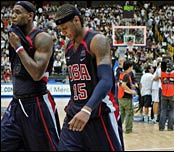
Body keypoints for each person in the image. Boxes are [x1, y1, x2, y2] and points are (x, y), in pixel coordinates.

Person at [54, 3, 124, 151]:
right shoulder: (68, 46)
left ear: (76, 20)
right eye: (60, 30)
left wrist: (87, 110)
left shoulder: (97, 40)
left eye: (65, 28)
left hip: (99, 111)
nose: (63, 33)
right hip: (75, 112)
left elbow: (106, 81)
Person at [1, 1, 61, 151]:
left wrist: (19, 47)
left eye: (18, 12)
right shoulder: (15, 36)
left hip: (37, 104)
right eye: (12, 12)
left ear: (30, 16)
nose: (13, 16)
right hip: (16, 104)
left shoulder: (42, 38)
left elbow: (36, 74)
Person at [118, 60, 137, 134]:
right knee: (129, 113)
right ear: (129, 67)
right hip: (126, 97)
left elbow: (122, 84)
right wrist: (131, 91)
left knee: (122, 114)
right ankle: (128, 129)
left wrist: (131, 85)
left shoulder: (121, 74)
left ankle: (118, 127)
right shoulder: (126, 75)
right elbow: (123, 85)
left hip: (121, 97)